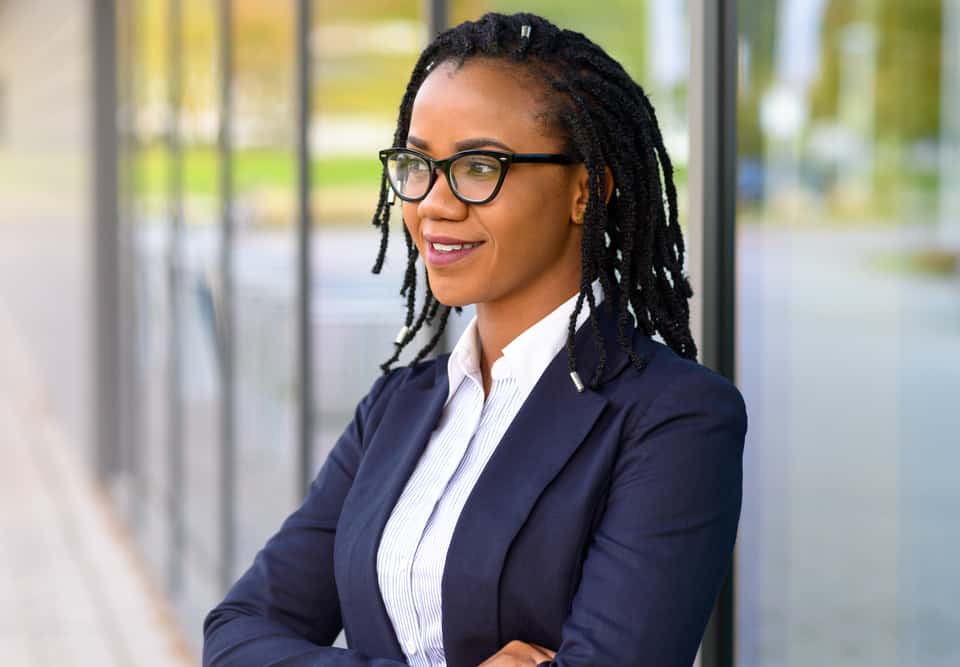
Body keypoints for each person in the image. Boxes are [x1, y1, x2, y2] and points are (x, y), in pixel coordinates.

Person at [203, 12, 747, 667]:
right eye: (416, 164)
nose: (433, 201)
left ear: (585, 189)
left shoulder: (672, 418)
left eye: (478, 166)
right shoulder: (397, 406)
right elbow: (237, 632)